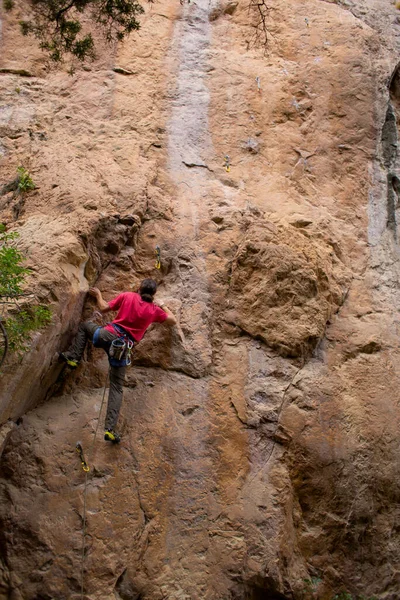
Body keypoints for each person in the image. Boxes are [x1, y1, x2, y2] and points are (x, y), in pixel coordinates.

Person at [60, 279, 177, 443]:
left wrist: (99, 295)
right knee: (116, 387)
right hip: (122, 349)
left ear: (139, 288)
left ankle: (73, 358)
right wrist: (163, 305)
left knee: (86, 326)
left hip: (107, 335)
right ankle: (109, 429)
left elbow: (103, 307)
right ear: (153, 294)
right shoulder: (153, 310)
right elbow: (172, 321)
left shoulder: (128, 296)